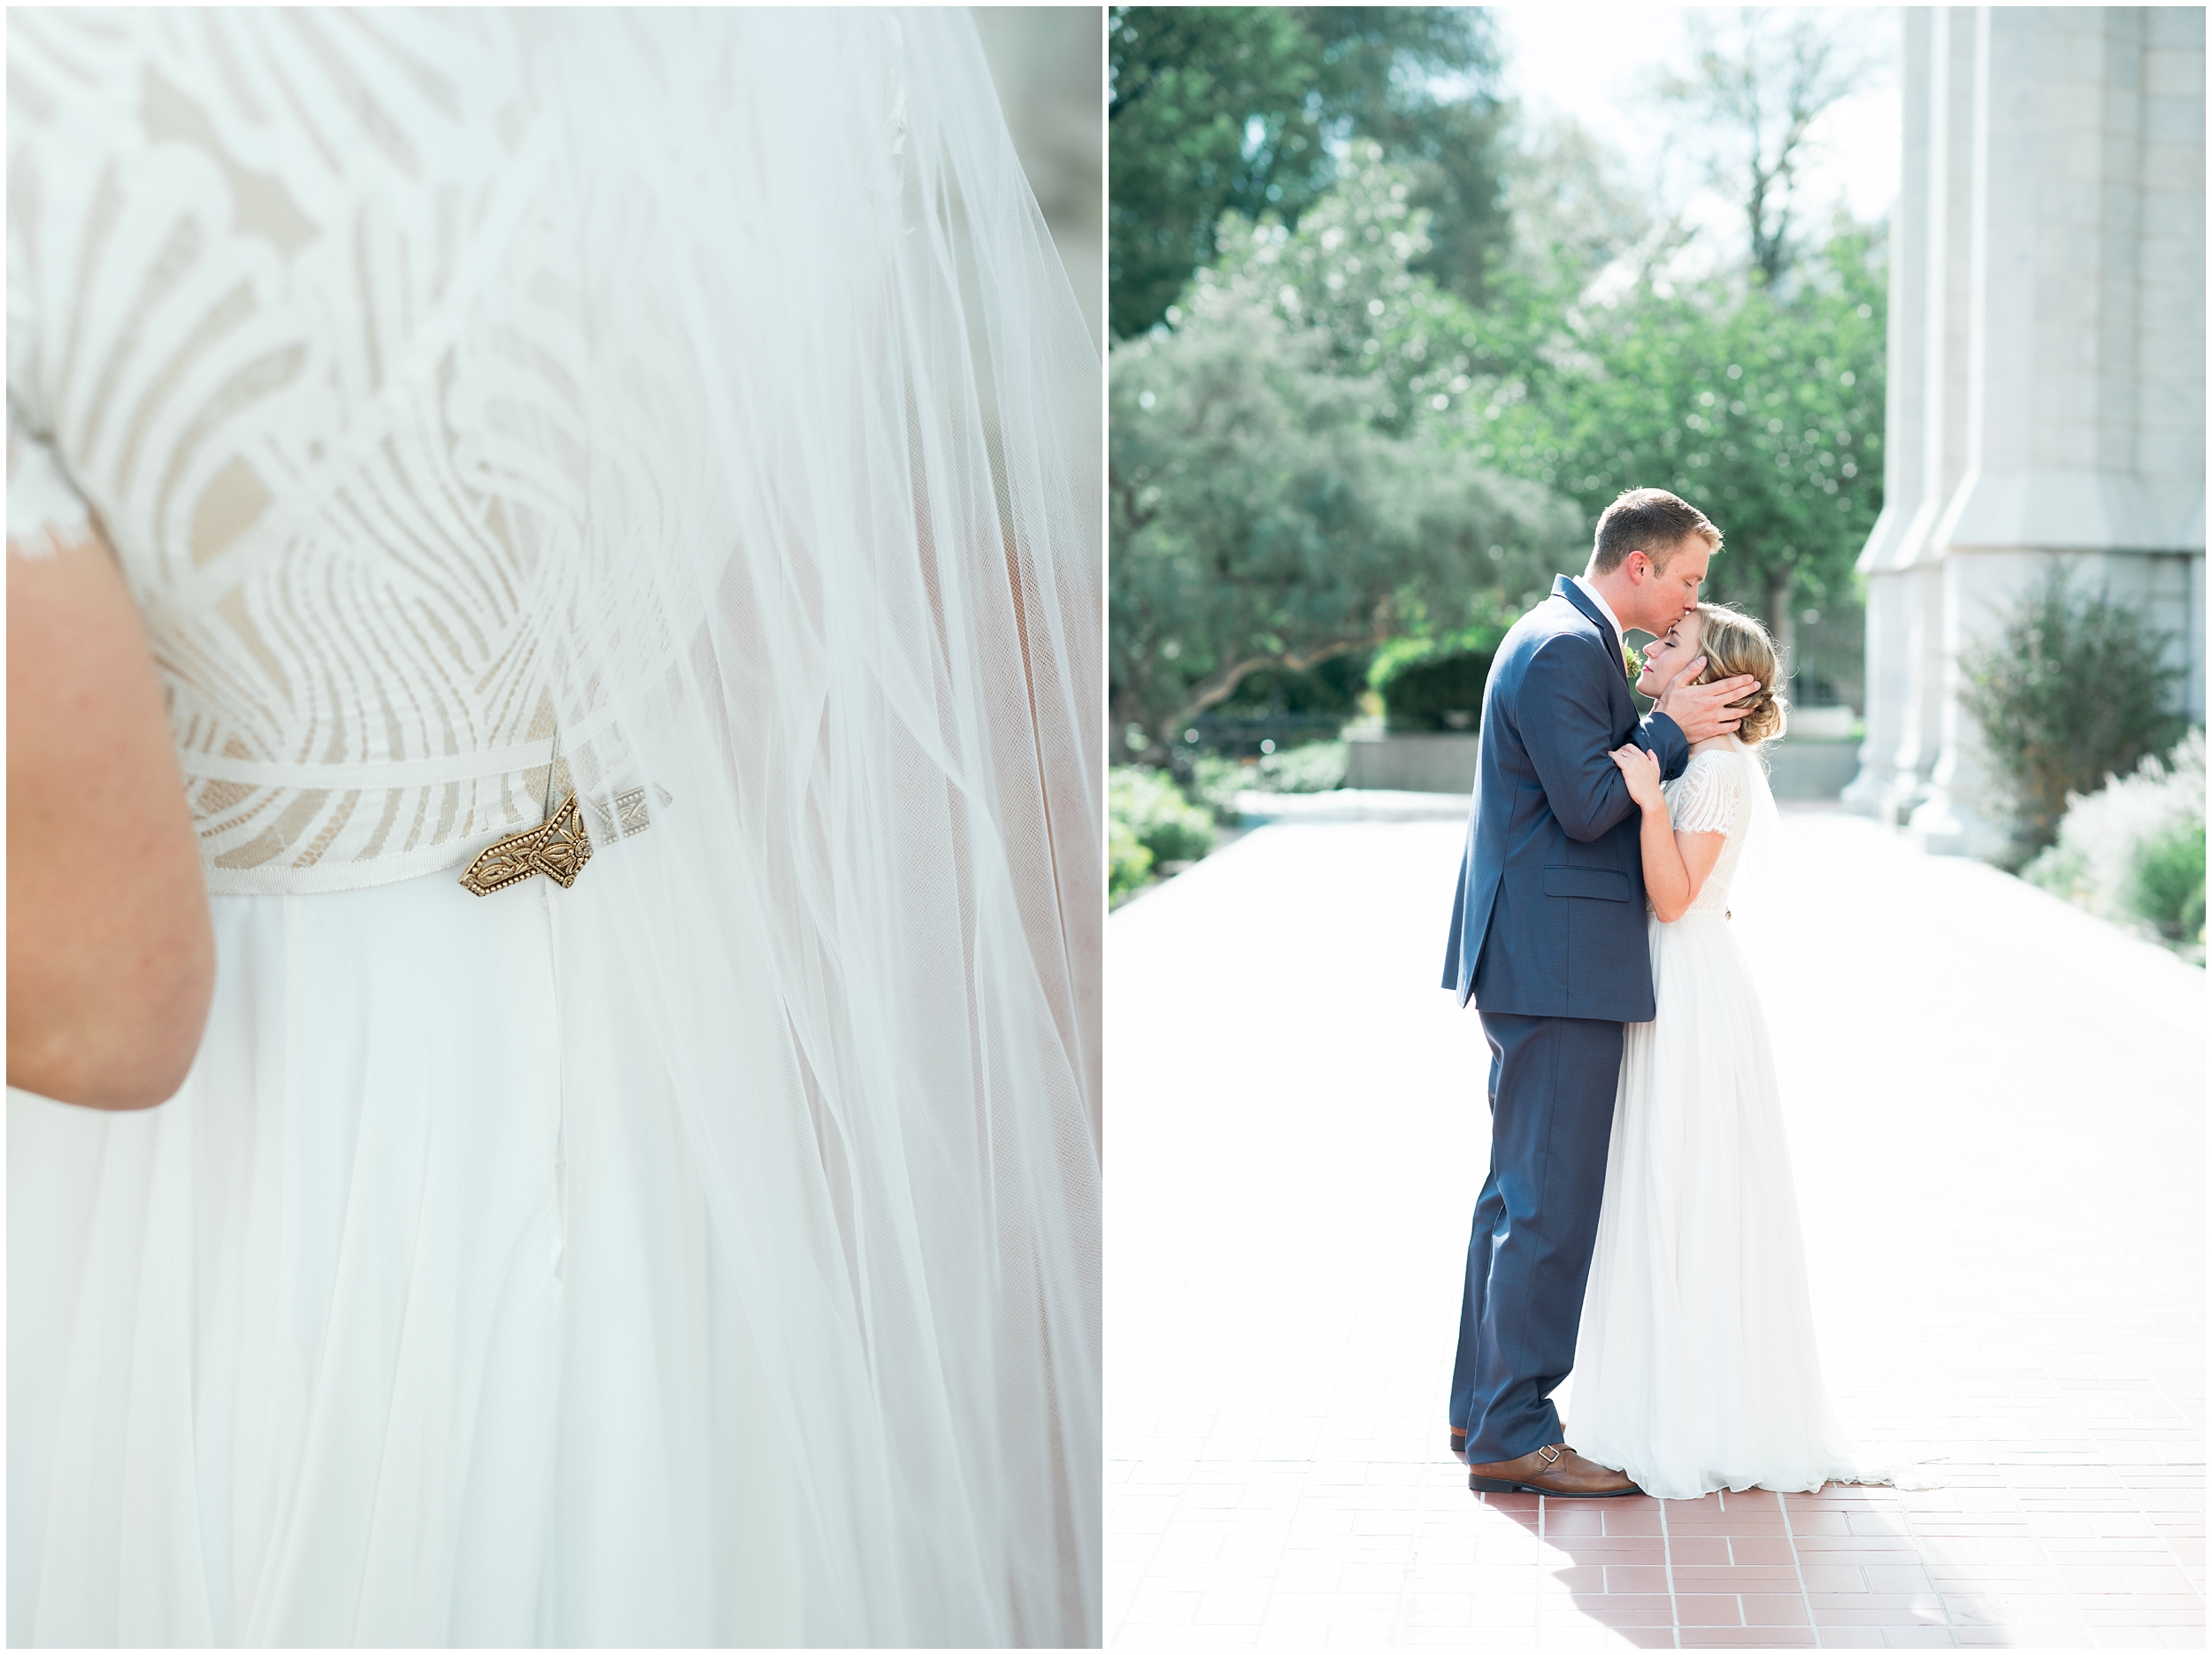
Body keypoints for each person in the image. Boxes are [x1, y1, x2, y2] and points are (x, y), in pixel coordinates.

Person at [7, 10, 1100, 1645]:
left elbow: (104, 1006)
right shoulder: (757, 46)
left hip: (256, 1182)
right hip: (667, 1079)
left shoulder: (53, 91)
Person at [1440, 488, 1758, 1498]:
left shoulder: (1568, 637)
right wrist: (1670, 728)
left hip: (1547, 957)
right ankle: (1512, 1430)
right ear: (1638, 567)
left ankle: (1481, 1405)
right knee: (1547, 1204)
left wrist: (1665, 726)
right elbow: (1586, 804)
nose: (1688, 601)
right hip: (1557, 964)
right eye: (1688, 579)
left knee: (1515, 1194)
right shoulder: (1564, 647)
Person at [1571, 604, 1899, 1498]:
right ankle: (1664, 1393)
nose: (1649, 647)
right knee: (1661, 1181)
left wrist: (1643, 801)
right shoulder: (1695, 759)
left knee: (1688, 1183)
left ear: (1713, 677)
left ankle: (1702, 1411)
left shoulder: (1712, 770)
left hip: (1687, 983)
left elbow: (1673, 899)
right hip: (1672, 977)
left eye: (1671, 642)